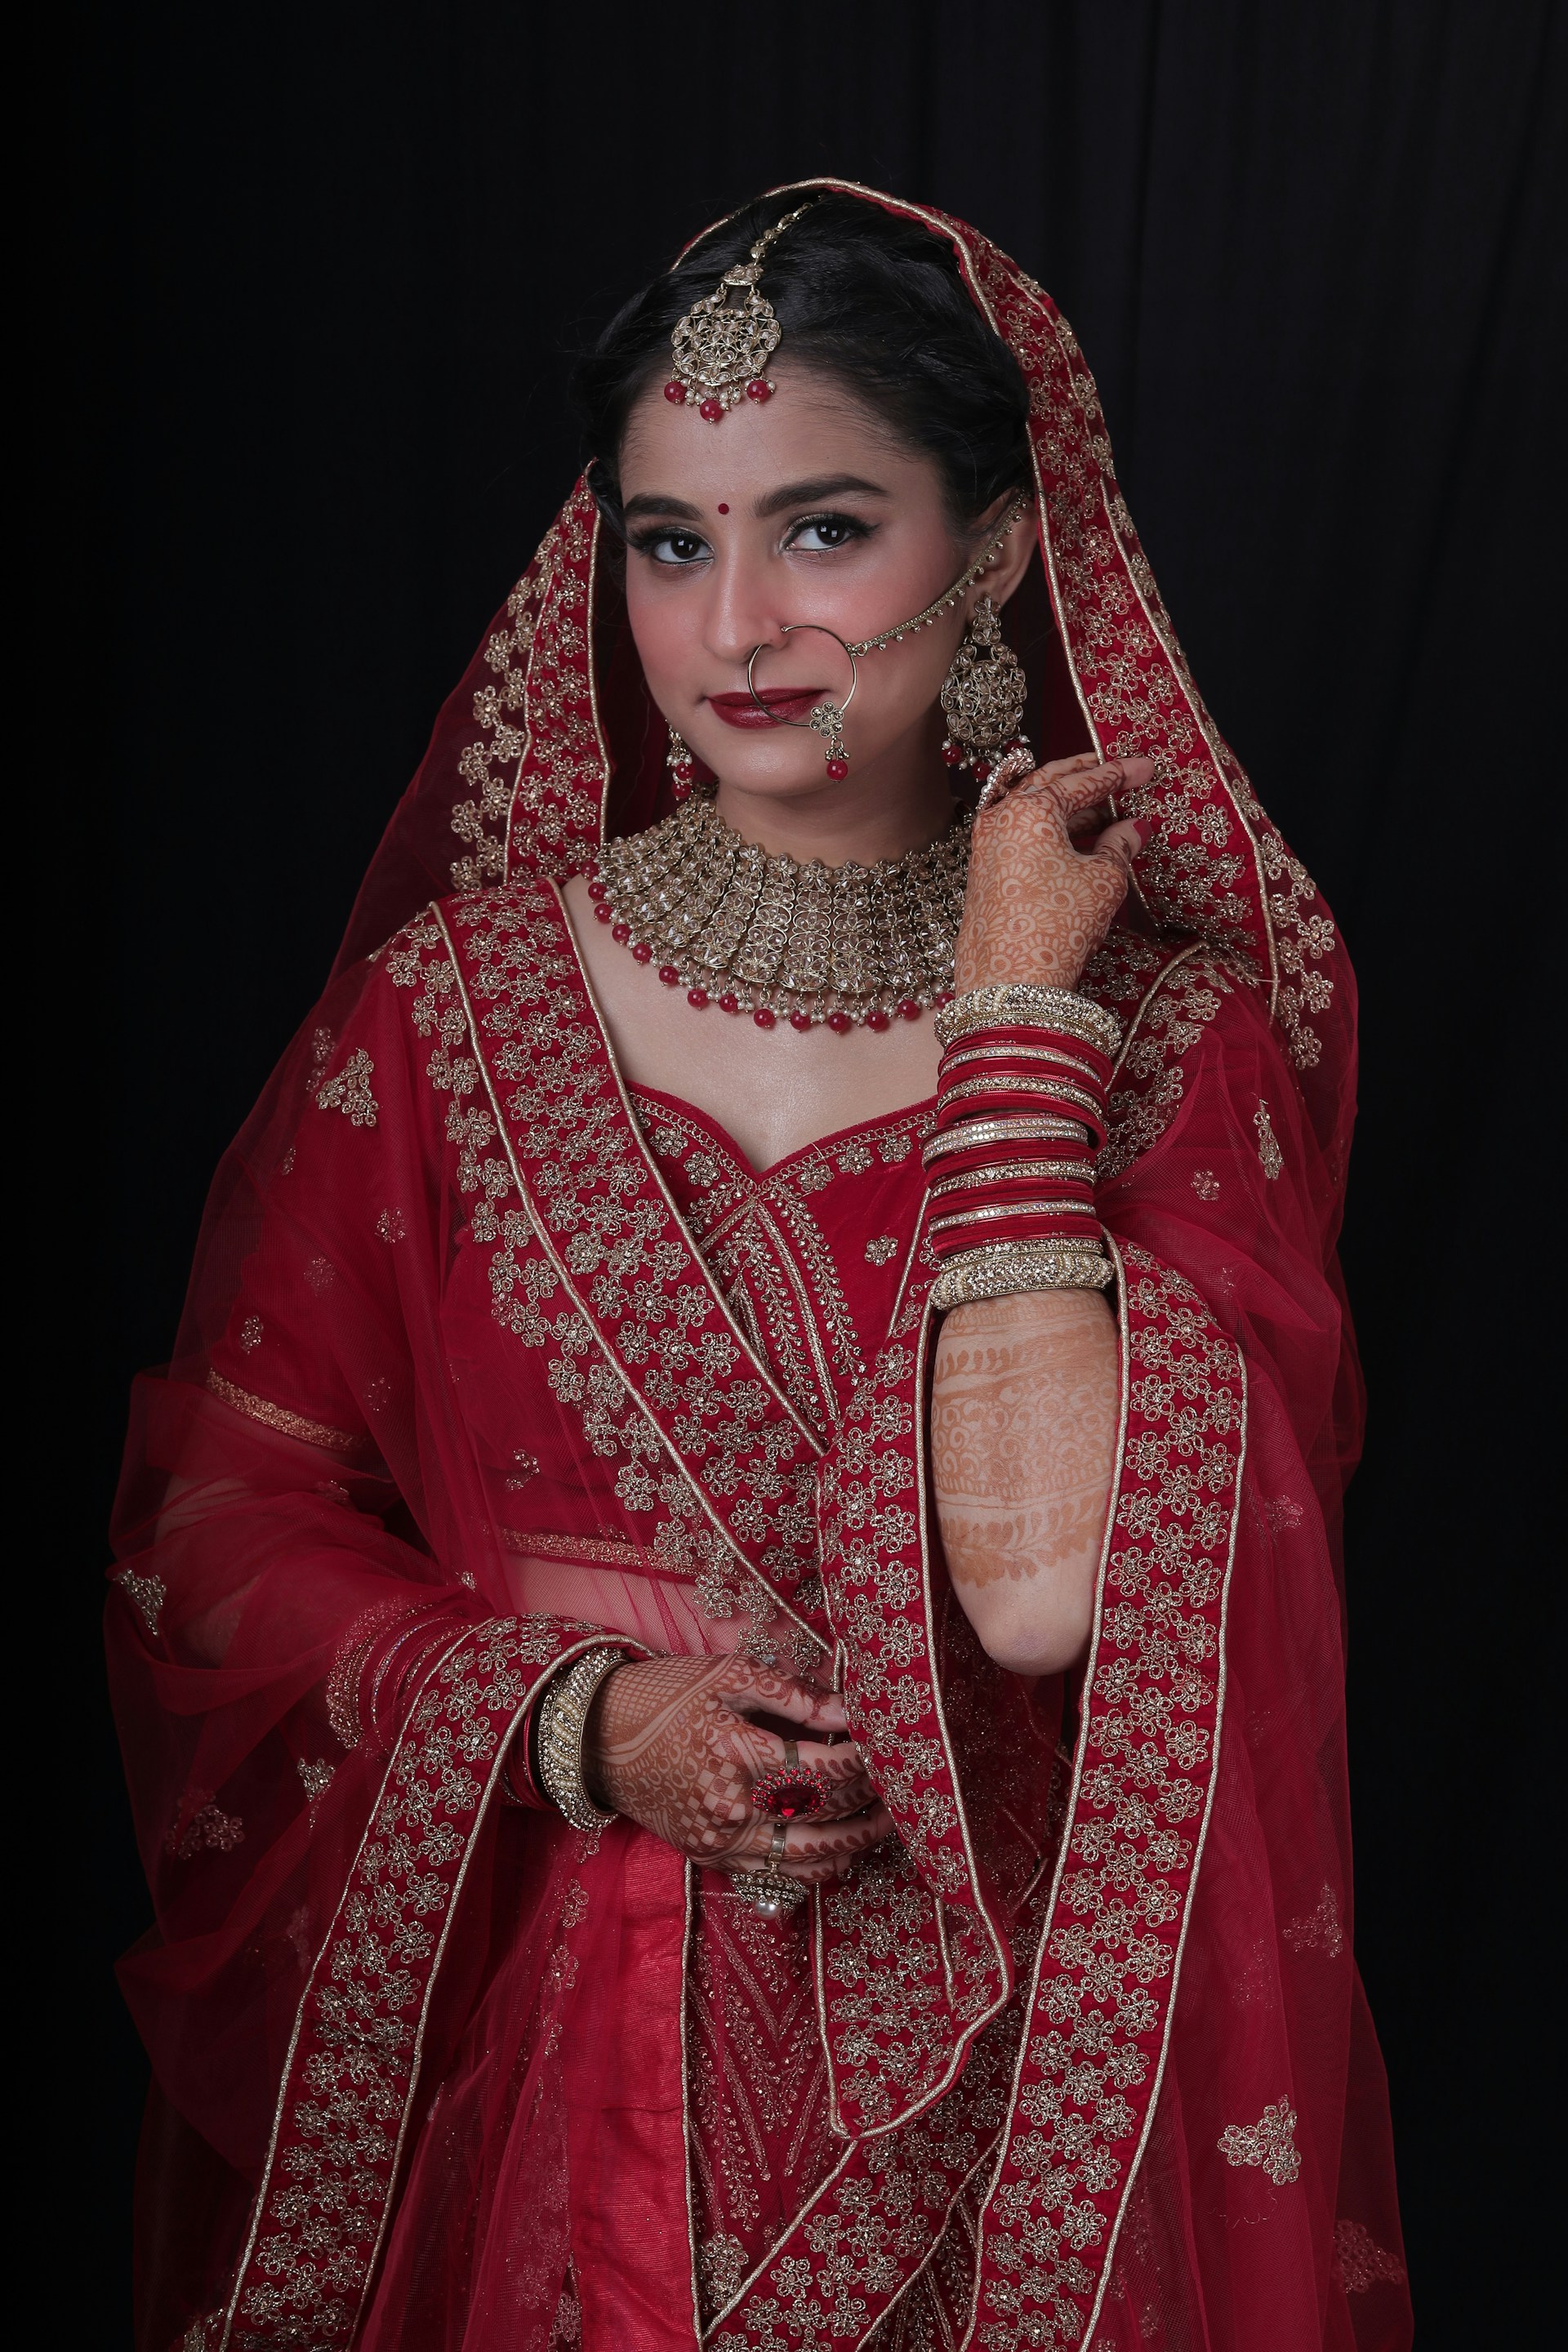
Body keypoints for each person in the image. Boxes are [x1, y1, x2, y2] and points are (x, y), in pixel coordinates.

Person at [110, 182, 1411, 2352]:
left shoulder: (1168, 1041)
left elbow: (1041, 1595)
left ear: (993, 548)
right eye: (671, 540)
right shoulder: (447, 1019)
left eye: (825, 530)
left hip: (1000, 2108)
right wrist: (580, 1725)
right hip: (554, 2071)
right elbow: (220, 1523)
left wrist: (1017, 1030)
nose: (733, 632)